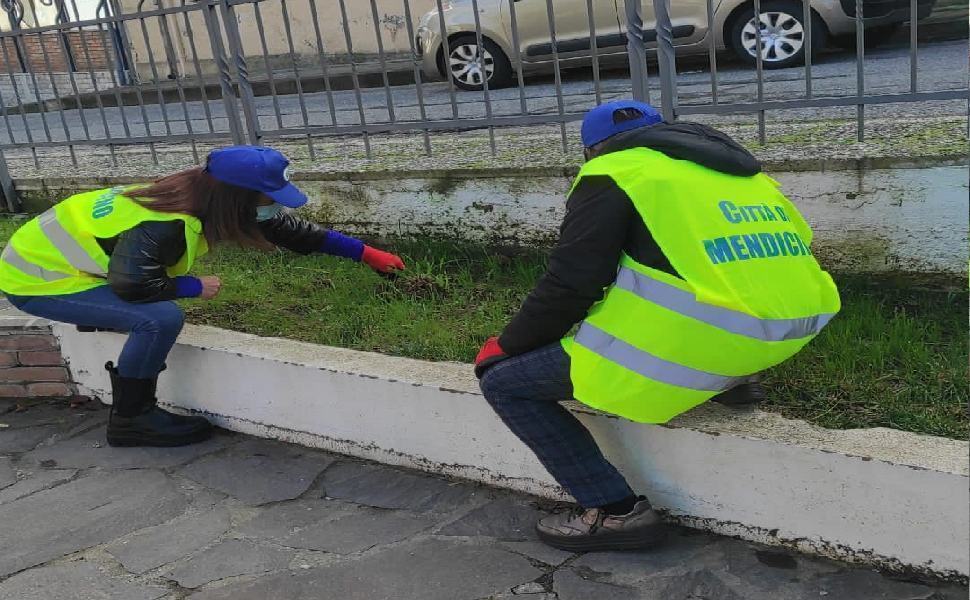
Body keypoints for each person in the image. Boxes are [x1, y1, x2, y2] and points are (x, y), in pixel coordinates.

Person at [474, 100, 840, 552]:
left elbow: (571, 284)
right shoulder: (736, 173)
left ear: (592, 151)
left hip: (708, 341)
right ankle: (731, 379)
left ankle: (613, 512)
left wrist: (509, 345)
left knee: (506, 384)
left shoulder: (616, 173)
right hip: (786, 333)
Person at [0, 146, 405, 448]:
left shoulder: (191, 192)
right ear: (237, 198)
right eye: (268, 198)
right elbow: (133, 285)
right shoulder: (168, 223)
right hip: (37, 282)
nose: (273, 206)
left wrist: (366, 253)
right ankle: (132, 420)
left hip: (65, 267)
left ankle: (102, 318)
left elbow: (288, 231)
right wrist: (194, 287)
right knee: (159, 319)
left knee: (151, 309)